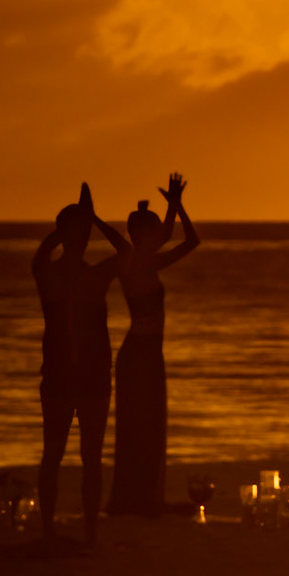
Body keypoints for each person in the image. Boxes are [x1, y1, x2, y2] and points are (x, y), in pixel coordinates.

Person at [30, 182, 128, 547]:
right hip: (59, 377)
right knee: (53, 454)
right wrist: (69, 228)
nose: (80, 239)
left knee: (90, 457)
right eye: (77, 233)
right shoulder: (50, 276)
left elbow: (126, 252)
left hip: (93, 378)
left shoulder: (95, 276)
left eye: (81, 234)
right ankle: (49, 530)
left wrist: (94, 220)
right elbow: (39, 259)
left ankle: (89, 531)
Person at [107, 173, 201, 517]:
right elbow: (190, 241)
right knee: (140, 426)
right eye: (155, 232)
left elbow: (174, 237)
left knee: (148, 425)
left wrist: (174, 206)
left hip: (147, 351)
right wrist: (175, 207)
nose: (160, 236)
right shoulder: (138, 262)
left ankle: (145, 497)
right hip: (140, 352)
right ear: (142, 236)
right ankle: (138, 499)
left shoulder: (137, 258)